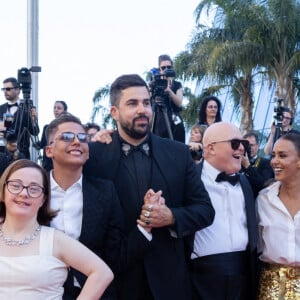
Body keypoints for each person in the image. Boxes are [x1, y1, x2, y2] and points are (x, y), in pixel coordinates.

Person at [83, 74, 215, 300]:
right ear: (114, 112)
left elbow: (205, 210)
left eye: (146, 103)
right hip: (115, 284)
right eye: (132, 104)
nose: (142, 110)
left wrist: (171, 216)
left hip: (169, 283)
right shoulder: (94, 157)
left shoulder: (178, 153)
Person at [45, 113, 151, 299]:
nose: (77, 142)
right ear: (49, 150)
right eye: (68, 137)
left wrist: (146, 226)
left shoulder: (105, 192)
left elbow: (115, 255)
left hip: (95, 292)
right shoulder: (33, 189)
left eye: (83, 137)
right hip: (40, 290)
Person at [0, 159, 113, 299]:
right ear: (3, 191)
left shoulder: (55, 240)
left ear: (43, 199)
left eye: (34, 189)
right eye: (16, 186)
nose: (24, 193)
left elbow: (102, 273)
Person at [187, 122, 258, 300]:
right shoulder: (189, 178)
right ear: (210, 148)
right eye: (235, 143)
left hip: (243, 276)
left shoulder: (244, 182)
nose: (242, 148)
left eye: (244, 144)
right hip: (201, 278)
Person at [257, 132, 300, 299]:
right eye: (273, 155)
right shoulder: (263, 199)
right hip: (271, 289)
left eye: (282, 155)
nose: (274, 161)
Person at [0, 77, 39, 159]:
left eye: (8, 89)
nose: (5, 92)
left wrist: (34, 120)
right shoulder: (1, 108)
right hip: (2, 154)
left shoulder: (28, 107)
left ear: (18, 90)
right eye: (3, 89)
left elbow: (35, 132)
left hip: (22, 154)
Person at [151, 54, 185, 143]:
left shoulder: (177, 84)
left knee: (177, 147)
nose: (166, 69)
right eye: (163, 67)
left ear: (172, 67)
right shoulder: (155, 84)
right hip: (159, 120)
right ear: (159, 69)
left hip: (175, 121)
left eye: (168, 67)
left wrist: (169, 90)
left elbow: (179, 102)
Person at [241, 131, 274, 196]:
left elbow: (263, 184)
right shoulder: (238, 161)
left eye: (252, 145)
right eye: (246, 145)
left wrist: (248, 167)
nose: (249, 148)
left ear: (258, 146)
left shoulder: (266, 163)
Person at [40, 100, 68, 170]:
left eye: (59, 108)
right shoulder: (47, 127)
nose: (56, 110)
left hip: (63, 164)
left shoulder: (68, 129)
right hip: (48, 165)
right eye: (54, 108)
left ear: (65, 111)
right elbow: (43, 146)